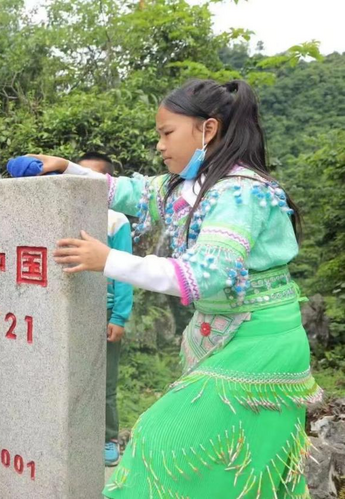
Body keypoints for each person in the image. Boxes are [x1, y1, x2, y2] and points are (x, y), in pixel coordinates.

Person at [21, 79, 321, 497]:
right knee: (232, 463)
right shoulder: (186, 184)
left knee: (161, 440)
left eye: (166, 133)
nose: (160, 146)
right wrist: (66, 166)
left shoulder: (241, 192)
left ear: (207, 130)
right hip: (224, 337)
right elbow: (130, 190)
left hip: (260, 343)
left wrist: (107, 260)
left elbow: (205, 274)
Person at [76, 152, 133, 467]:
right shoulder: (65, 212)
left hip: (105, 313)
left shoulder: (116, 220)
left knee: (106, 382)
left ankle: (109, 438)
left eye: (94, 180)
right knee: (75, 376)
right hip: (73, 311)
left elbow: (124, 271)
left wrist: (120, 316)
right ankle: (79, 435)